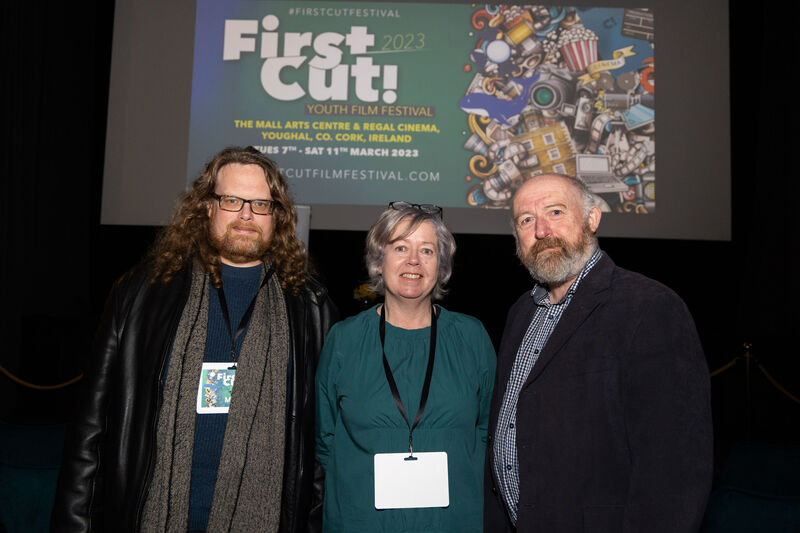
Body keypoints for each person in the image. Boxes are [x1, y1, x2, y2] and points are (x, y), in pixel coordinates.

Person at [52, 146, 337, 532]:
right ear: (206, 207)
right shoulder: (143, 294)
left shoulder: (310, 309)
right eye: (232, 200)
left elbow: (322, 449)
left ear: (277, 216)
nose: (246, 215)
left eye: (261, 204)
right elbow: (91, 429)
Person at [485, 174, 713, 532]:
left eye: (556, 212)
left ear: (592, 219)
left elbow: (675, 470)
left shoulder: (650, 307)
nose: (542, 230)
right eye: (526, 220)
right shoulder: (521, 312)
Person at [316, 202, 496, 532]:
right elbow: (325, 440)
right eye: (400, 247)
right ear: (378, 259)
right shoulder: (344, 340)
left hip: (454, 521)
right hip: (361, 522)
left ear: (440, 265)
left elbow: (488, 432)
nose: (413, 260)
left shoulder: (471, 337)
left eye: (426, 250)